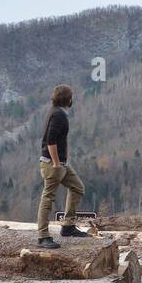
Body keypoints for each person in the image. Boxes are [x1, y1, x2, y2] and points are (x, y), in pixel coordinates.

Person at [36, 83, 89, 247]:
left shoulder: (56, 112)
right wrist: (57, 163)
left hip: (61, 163)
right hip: (53, 164)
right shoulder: (58, 115)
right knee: (48, 197)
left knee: (77, 188)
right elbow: (50, 141)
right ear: (68, 99)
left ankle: (68, 226)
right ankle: (43, 236)